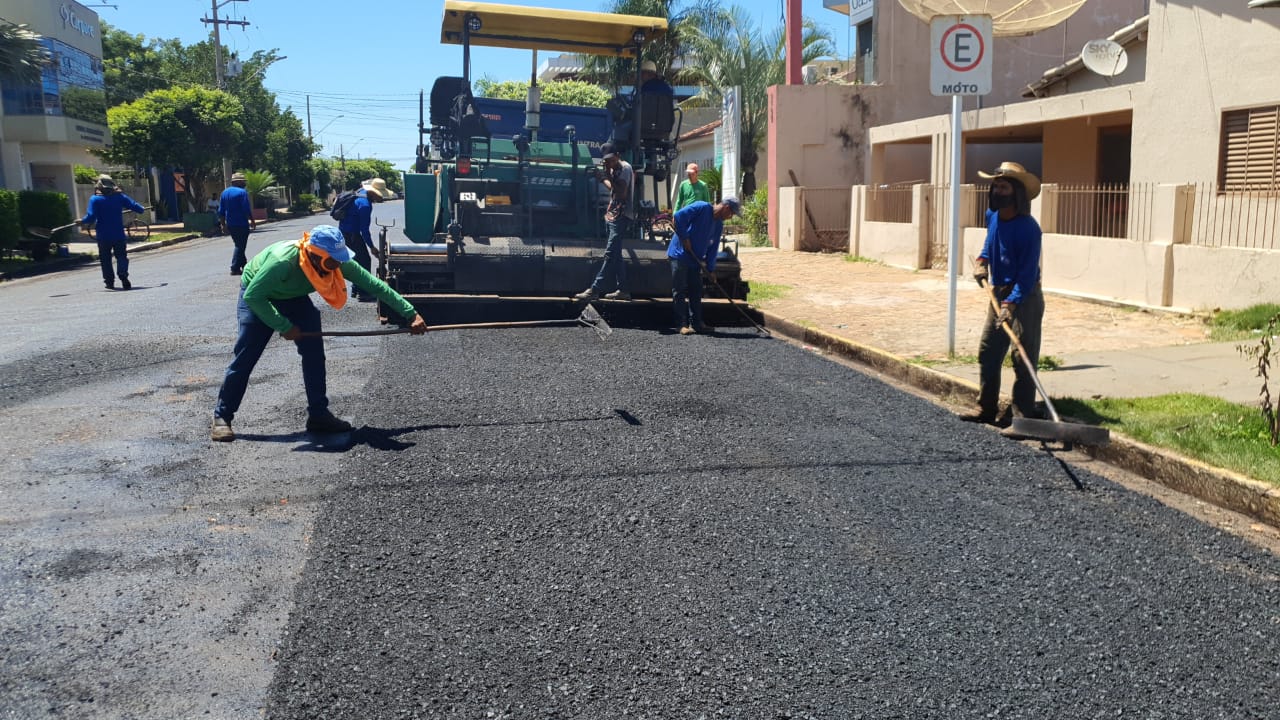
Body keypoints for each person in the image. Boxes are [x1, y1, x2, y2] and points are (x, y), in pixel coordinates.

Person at [210, 225, 428, 442]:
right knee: (246, 356)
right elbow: (254, 296)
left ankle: (318, 415)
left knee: (314, 354)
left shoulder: (336, 263)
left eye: (340, 259)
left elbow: (375, 285)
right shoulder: (283, 261)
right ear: (315, 255)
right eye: (333, 260)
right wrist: (283, 326)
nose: (338, 264)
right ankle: (222, 417)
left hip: (294, 298)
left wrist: (410, 314)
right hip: (258, 295)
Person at [963, 162, 1045, 429]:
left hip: (1025, 295)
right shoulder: (993, 215)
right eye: (996, 185)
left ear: (1017, 192)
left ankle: (1022, 415)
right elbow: (990, 240)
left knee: (1023, 356)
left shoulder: (1029, 229)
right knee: (988, 350)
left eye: (1004, 186)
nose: (998, 190)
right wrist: (982, 260)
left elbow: (1027, 274)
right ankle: (986, 408)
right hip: (997, 292)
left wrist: (1011, 304)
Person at [667, 197, 740, 334]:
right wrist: (685, 238)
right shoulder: (701, 207)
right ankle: (681, 324)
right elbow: (678, 217)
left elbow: (713, 249)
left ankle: (696, 323)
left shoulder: (718, 225)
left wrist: (711, 269)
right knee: (680, 289)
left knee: (696, 290)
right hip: (679, 255)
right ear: (726, 208)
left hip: (695, 260)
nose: (730, 217)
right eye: (732, 214)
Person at [575, 142, 635, 302]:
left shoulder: (625, 169)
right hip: (613, 215)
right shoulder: (614, 168)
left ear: (617, 156)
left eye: (612, 160)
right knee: (616, 255)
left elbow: (620, 194)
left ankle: (595, 289)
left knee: (610, 253)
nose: (610, 163)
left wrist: (604, 178)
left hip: (621, 216)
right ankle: (623, 290)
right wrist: (607, 173)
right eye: (607, 161)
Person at [80, 174, 146, 290]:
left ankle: (109, 282)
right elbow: (137, 207)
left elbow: (91, 217)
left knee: (105, 259)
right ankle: (123, 275)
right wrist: (141, 208)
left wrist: (81, 221)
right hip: (118, 234)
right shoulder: (120, 197)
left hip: (103, 235)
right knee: (121, 256)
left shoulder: (95, 199)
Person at [337, 178, 392, 301]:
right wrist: (372, 247)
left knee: (356, 260)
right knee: (365, 261)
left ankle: (355, 289)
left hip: (344, 232)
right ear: (373, 193)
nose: (381, 199)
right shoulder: (365, 205)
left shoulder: (360, 192)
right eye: (379, 196)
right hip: (352, 235)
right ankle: (363, 292)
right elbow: (364, 230)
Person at [218, 172, 256, 275]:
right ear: (238, 182)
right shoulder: (242, 192)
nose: (244, 183)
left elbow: (221, 211)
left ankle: (244, 265)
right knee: (240, 245)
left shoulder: (224, 193)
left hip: (231, 224)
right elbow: (246, 209)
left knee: (238, 244)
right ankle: (234, 267)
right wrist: (252, 221)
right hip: (241, 223)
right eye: (243, 181)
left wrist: (223, 224)